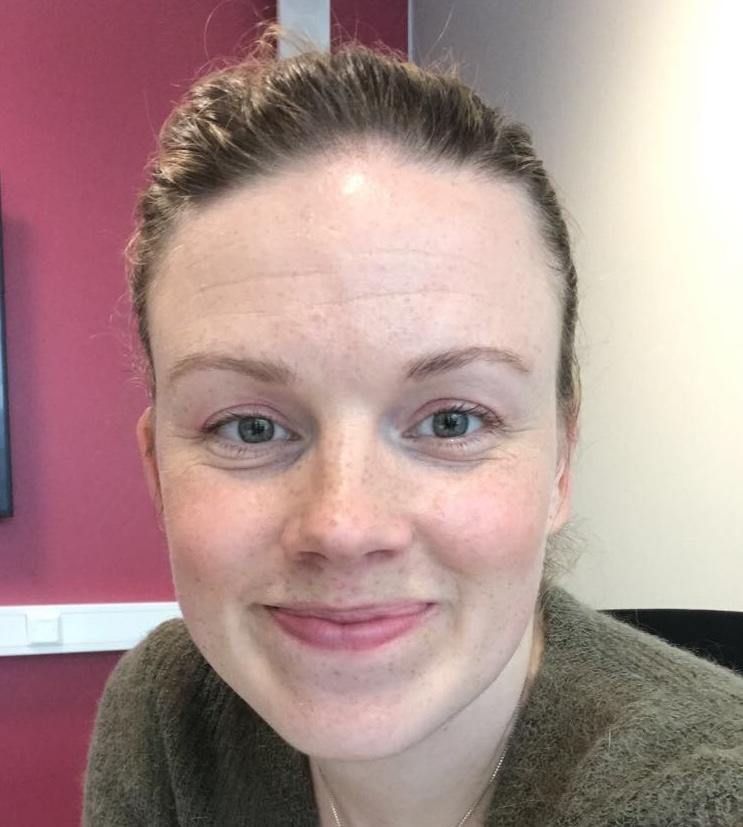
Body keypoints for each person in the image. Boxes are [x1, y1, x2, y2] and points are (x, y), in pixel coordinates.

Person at [82, 32, 743, 827]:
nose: (344, 525)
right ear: (157, 472)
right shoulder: (170, 714)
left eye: (451, 419)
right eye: (251, 427)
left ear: (559, 465)